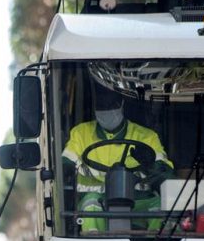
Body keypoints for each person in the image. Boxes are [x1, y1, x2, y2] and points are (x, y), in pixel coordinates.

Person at [62, 84, 174, 233]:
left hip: (140, 200)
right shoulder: (81, 133)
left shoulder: (147, 136)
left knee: (162, 208)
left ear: (122, 105)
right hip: (98, 200)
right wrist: (64, 167)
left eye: (111, 105)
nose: (107, 111)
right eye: (101, 107)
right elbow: (65, 163)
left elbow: (167, 175)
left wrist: (150, 163)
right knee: (90, 206)